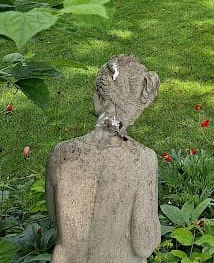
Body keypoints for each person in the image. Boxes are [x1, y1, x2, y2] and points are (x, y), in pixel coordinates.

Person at [46, 55, 161, 263]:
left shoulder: (62, 154)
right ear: (135, 107)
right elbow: (144, 244)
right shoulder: (143, 160)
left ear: (101, 97)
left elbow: (56, 222)